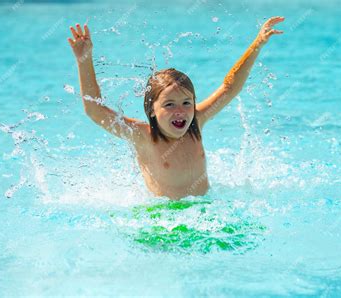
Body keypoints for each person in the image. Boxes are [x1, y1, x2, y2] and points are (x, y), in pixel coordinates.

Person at [67, 16, 284, 200]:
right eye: (169, 105)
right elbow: (95, 111)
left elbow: (230, 87)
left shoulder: (196, 122)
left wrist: (257, 44)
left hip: (203, 212)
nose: (180, 111)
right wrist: (83, 60)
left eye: (186, 103)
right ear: (152, 109)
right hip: (165, 220)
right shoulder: (143, 136)